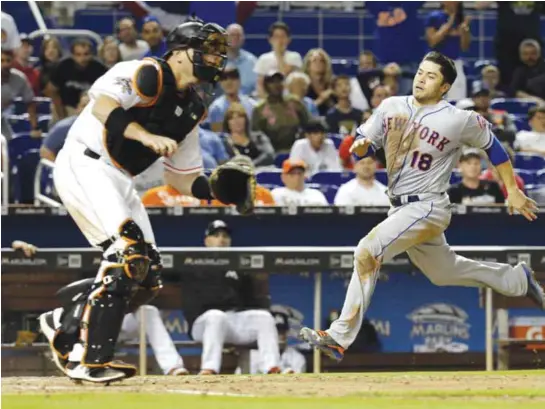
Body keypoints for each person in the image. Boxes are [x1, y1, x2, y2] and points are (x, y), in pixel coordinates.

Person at [37, 18, 254, 384]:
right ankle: (89, 360)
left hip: (119, 178)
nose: (216, 58)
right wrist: (145, 136)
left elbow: (180, 179)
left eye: (219, 51)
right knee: (128, 255)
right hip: (84, 161)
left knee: (147, 277)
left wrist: (217, 191)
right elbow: (102, 104)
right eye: (209, 49)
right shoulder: (146, 71)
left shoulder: (192, 108)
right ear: (183, 52)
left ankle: (65, 322)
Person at [299, 51, 543, 363]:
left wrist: (512, 189)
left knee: (367, 251)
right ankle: (517, 280)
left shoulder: (458, 118)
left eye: (431, 76)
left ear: (445, 87)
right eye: (420, 72)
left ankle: (338, 336)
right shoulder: (391, 105)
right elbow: (361, 142)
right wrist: (360, 145)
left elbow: (494, 148)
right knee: (444, 272)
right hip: (400, 208)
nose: (421, 78)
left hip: (428, 205)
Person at [181, 220, 281, 375]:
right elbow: (205, 300)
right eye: (216, 236)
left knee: (264, 317)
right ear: (207, 241)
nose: (221, 239)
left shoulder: (237, 265)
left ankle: (272, 367)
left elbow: (249, 300)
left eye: (225, 236)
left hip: (232, 322)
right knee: (216, 316)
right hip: (203, 323)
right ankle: (209, 368)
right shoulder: (194, 264)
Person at [44, 38, 107, 119]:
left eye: (86, 54)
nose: (82, 58)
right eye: (78, 54)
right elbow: (51, 91)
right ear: (73, 55)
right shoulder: (63, 66)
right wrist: (61, 115)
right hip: (65, 106)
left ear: (91, 54)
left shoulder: (99, 68)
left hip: (90, 107)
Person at [252, 71, 309, 153]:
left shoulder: (294, 103)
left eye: (279, 81)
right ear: (266, 86)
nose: (277, 85)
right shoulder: (259, 109)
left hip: (298, 150)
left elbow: (309, 124)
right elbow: (256, 136)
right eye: (272, 82)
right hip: (273, 152)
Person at [425, 1, 471, 100]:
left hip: (455, 63)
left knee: (457, 99)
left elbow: (465, 47)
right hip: (436, 63)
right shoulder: (434, 17)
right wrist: (450, 22)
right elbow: (432, 41)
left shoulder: (462, 18)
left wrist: (464, 32)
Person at [254, 22, 302, 98]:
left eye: (282, 36)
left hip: (289, 99)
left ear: (289, 39)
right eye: (276, 37)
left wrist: (278, 54)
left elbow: (284, 74)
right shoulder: (263, 58)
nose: (279, 40)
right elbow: (260, 84)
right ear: (270, 40)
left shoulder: (294, 56)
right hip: (268, 99)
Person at [1, 49, 40, 139]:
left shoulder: (19, 78)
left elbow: (30, 102)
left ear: (13, 62)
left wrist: (35, 127)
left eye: (8, 60)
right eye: (1, 61)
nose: (5, 64)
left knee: (8, 140)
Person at [40, 92, 90, 161]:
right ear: (77, 108)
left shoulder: (102, 130)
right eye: (84, 106)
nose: (87, 110)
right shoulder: (64, 127)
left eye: (90, 106)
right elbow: (45, 152)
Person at [221, 102, 274, 167]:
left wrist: (250, 165)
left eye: (240, 117)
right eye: (232, 118)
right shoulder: (224, 143)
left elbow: (269, 155)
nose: (237, 121)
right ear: (227, 123)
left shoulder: (259, 137)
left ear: (246, 120)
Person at [206, 67, 256, 132]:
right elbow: (217, 136)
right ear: (220, 83)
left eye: (233, 78)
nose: (229, 82)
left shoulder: (251, 104)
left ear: (239, 81)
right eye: (224, 79)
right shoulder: (216, 108)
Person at [224, 24, 257, 96]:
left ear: (243, 39)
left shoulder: (252, 61)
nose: (235, 38)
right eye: (232, 35)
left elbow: (257, 89)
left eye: (238, 35)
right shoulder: (215, 60)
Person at [303, 48, 336, 116]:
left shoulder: (333, 85)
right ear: (308, 65)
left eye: (322, 61)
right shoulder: (303, 86)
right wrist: (320, 100)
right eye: (314, 60)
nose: (318, 63)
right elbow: (302, 112)